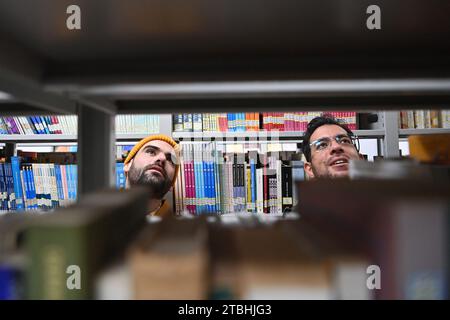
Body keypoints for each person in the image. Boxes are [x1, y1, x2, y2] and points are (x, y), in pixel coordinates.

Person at [123, 134, 180, 216]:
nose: (162, 158)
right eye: (151, 152)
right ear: (128, 165)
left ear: (172, 185)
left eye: (170, 159)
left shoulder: (181, 228)